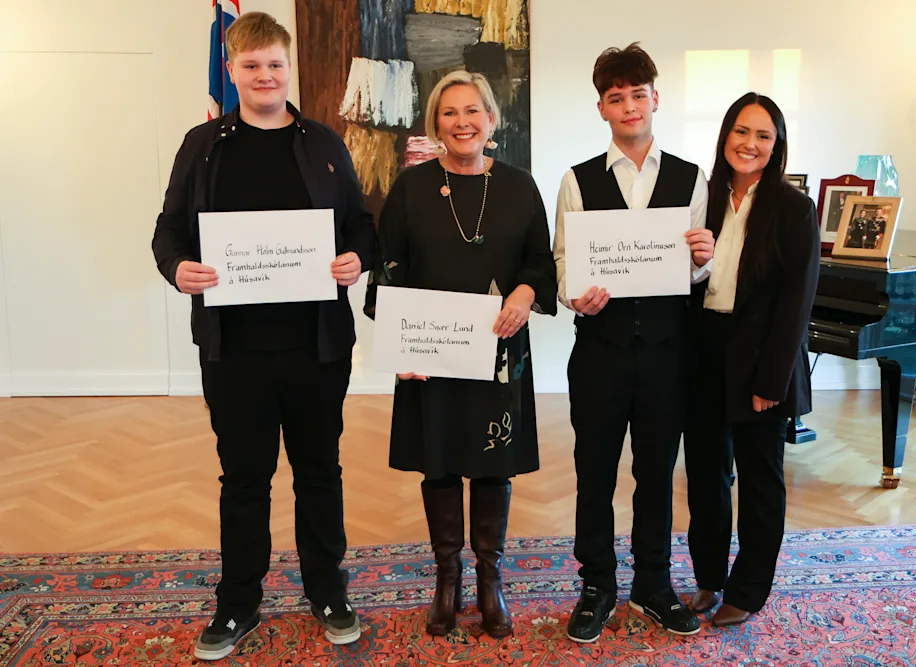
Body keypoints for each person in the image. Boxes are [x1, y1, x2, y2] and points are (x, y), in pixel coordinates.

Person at [150, 12, 376, 660]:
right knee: (243, 478)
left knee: (319, 472)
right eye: (251, 65)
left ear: (288, 69)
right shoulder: (202, 144)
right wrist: (177, 268)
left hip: (316, 348)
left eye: (275, 64)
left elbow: (361, 224)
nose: (264, 75)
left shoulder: (325, 143)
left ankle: (327, 590)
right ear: (232, 71)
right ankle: (238, 600)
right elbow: (168, 229)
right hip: (234, 350)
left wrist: (356, 259)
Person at [364, 70, 557, 639]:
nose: (462, 122)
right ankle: (447, 579)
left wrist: (524, 294)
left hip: (499, 352)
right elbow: (386, 270)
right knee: (441, 460)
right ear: (436, 124)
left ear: (492, 120)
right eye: (449, 113)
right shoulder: (411, 189)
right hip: (431, 356)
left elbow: (539, 265)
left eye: (473, 111)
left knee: (493, 461)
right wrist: (398, 343)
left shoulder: (521, 186)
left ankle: (490, 579)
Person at [551, 43, 715, 643]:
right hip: (599, 351)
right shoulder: (577, 179)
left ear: (655, 100)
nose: (628, 106)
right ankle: (597, 584)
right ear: (601, 108)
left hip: (669, 353)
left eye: (637, 94)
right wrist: (575, 295)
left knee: (655, 473)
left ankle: (653, 584)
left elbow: (697, 271)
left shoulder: (692, 178)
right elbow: (564, 261)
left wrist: (704, 259)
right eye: (615, 97)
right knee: (593, 471)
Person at [684, 92, 820, 627]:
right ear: (725, 137)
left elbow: (796, 304)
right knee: (704, 476)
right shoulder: (703, 196)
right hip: (703, 353)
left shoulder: (792, 208)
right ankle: (708, 579)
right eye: (742, 131)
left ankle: (748, 590)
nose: (750, 143)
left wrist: (774, 379)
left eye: (763, 135)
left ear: (776, 145)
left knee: (760, 482)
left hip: (761, 360)